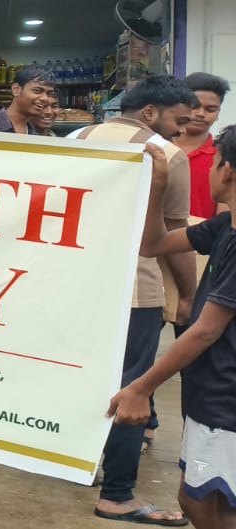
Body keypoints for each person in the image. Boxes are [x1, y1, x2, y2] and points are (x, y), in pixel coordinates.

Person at [74, 75, 200, 527]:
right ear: (149, 112)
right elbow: (173, 237)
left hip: (75, 284)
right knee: (133, 391)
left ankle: (79, 463)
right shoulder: (168, 155)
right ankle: (117, 495)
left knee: (81, 378)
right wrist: (189, 294)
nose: (182, 130)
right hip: (133, 291)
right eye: (179, 120)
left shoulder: (77, 137)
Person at [112, 127, 236, 529]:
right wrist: (158, 188)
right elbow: (152, 244)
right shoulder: (223, 227)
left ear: (227, 170)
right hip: (210, 391)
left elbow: (205, 330)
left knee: (207, 502)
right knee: (198, 497)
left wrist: (140, 387)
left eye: (214, 163)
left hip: (225, 398)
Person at [175, 73, 230, 220]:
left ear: (218, 113)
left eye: (210, 109)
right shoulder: (155, 149)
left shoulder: (224, 157)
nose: (200, 114)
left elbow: (224, 219)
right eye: (194, 106)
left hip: (202, 235)